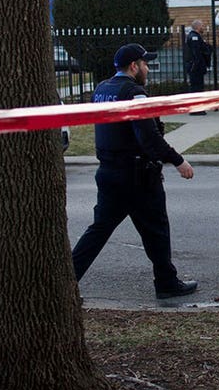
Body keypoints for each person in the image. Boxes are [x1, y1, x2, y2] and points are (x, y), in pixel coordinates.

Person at [72, 43, 199, 300]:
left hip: (109, 172)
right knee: (157, 230)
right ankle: (166, 283)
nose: (148, 69)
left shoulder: (102, 89)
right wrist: (178, 161)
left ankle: (64, 281)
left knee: (98, 231)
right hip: (138, 175)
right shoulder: (134, 94)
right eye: (145, 64)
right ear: (134, 66)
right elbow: (148, 137)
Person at [184, 19, 212, 116]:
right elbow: (197, 53)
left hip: (196, 66)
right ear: (198, 27)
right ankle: (196, 109)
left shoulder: (196, 36)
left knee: (198, 86)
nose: (203, 27)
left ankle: (198, 108)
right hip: (195, 67)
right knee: (196, 87)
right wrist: (197, 64)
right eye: (202, 25)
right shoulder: (194, 37)